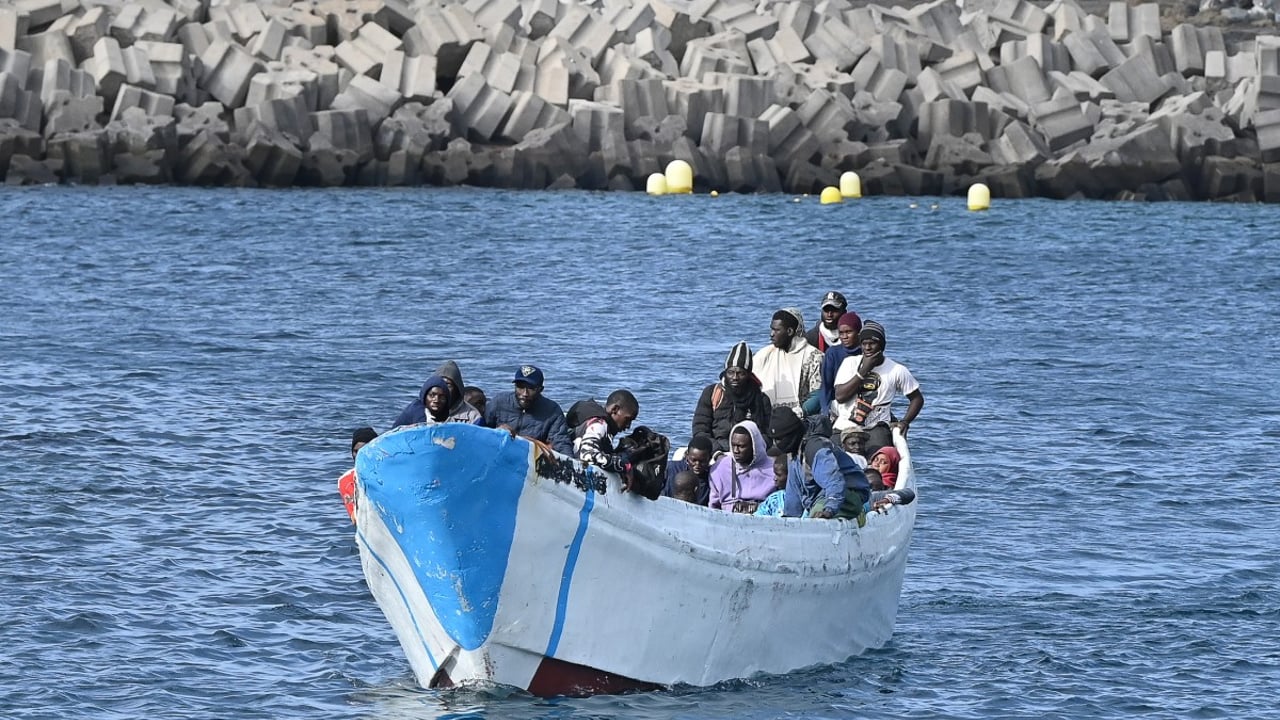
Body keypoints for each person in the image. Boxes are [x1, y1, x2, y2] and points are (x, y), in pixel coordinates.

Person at [830, 320, 924, 453]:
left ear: (881, 345)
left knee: (879, 456)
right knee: (832, 453)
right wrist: (864, 370)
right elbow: (840, 396)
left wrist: (905, 421)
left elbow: (917, 399)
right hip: (845, 425)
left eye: (872, 343)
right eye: (864, 344)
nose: (867, 348)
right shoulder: (850, 363)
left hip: (876, 427)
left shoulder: (897, 370)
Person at [766, 407, 870, 521]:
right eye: (774, 439)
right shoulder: (793, 454)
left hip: (847, 495)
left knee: (817, 518)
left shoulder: (816, 448)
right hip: (821, 499)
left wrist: (828, 510)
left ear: (791, 433)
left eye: (779, 439)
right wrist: (789, 521)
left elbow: (834, 481)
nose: (776, 443)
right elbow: (793, 490)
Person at [691, 341, 773, 454]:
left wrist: (749, 449)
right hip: (715, 451)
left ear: (748, 375)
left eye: (740, 373)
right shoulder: (712, 393)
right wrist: (717, 452)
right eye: (731, 372)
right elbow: (700, 429)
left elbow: (767, 434)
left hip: (748, 452)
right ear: (725, 373)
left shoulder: (761, 399)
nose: (735, 377)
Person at [483, 365, 574, 455]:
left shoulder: (552, 411)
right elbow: (481, 430)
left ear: (541, 389)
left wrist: (570, 461)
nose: (525, 393)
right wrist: (496, 431)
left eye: (531, 388)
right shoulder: (499, 402)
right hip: (497, 452)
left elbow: (561, 443)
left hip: (530, 457)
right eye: (520, 386)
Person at [753, 308, 823, 418]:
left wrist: (800, 412)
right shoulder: (764, 355)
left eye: (777, 330)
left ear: (790, 331)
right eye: (771, 329)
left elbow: (818, 394)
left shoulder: (814, 356)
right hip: (767, 416)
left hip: (801, 418)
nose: (771, 334)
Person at [708, 420, 776, 513]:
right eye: (733, 445)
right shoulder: (720, 469)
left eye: (741, 446)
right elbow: (713, 506)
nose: (736, 450)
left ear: (754, 446)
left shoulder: (773, 469)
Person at [391, 361, 483, 427]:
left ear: (457, 388)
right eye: (438, 384)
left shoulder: (472, 416)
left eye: (448, 385)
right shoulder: (417, 409)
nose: (442, 388)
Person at [569, 389, 639, 474]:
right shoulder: (599, 425)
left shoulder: (600, 424)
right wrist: (624, 466)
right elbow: (588, 456)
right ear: (615, 409)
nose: (628, 426)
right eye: (627, 419)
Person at [818, 311, 862, 415]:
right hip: (838, 404)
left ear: (858, 332)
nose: (844, 336)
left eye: (849, 332)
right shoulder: (832, 353)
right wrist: (825, 411)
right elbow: (826, 386)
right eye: (841, 333)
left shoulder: (865, 352)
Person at [391, 375, 474, 428]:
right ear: (425, 397)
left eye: (442, 397)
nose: (436, 400)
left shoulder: (443, 413)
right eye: (432, 395)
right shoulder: (418, 411)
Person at [339, 426, 378, 523]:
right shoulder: (346, 480)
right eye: (356, 451)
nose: (359, 455)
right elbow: (355, 518)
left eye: (364, 450)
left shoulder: (390, 472)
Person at [663, 434, 713, 505]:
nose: (697, 465)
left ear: (710, 458)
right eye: (693, 460)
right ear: (687, 455)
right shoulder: (670, 469)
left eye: (702, 461)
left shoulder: (713, 479)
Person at [753, 453, 789, 517]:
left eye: (779, 475)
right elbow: (757, 517)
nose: (775, 478)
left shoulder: (803, 499)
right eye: (775, 474)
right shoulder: (774, 500)